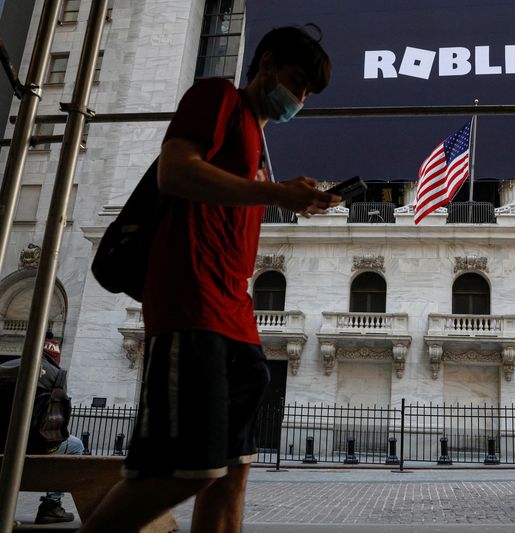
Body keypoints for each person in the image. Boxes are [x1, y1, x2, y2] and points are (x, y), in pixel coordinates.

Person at [79, 25, 340, 533]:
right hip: (190, 304)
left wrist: (286, 195)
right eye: (297, 80)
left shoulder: (260, 153)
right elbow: (175, 172)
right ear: (265, 65)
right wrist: (275, 196)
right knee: (183, 471)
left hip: (236, 313)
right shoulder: (217, 97)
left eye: (309, 91)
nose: (300, 97)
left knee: (232, 472)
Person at [0, 334, 84, 525]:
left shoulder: (7, 367)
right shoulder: (56, 375)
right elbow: (58, 421)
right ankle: (52, 505)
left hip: (1, 445)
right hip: (33, 446)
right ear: (55, 355)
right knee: (76, 445)